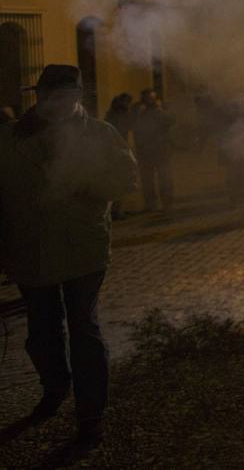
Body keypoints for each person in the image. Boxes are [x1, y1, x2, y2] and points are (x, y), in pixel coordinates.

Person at [0, 65, 138, 451]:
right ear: (40, 97)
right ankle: (55, 385)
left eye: (68, 97)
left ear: (78, 98)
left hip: (83, 248)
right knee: (42, 331)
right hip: (29, 249)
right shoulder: (10, 139)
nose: (60, 105)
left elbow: (126, 180)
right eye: (52, 97)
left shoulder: (100, 135)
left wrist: (85, 187)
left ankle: (90, 417)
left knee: (84, 331)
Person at [132, 88, 175, 211]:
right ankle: (151, 204)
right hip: (146, 151)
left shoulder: (160, 112)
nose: (150, 101)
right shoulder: (139, 112)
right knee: (148, 180)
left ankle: (167, 203)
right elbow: (133, 126)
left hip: (162, 151)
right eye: (147, 98)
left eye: (152, 98)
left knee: (165, 178)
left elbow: (172, 122)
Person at [104, 93, 135, 221]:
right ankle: (116, 211)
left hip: (115, 150)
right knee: (120, 181)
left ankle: (116, 211)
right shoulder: (120, 115)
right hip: (117, 151)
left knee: (118, 182)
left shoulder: (111, 114)